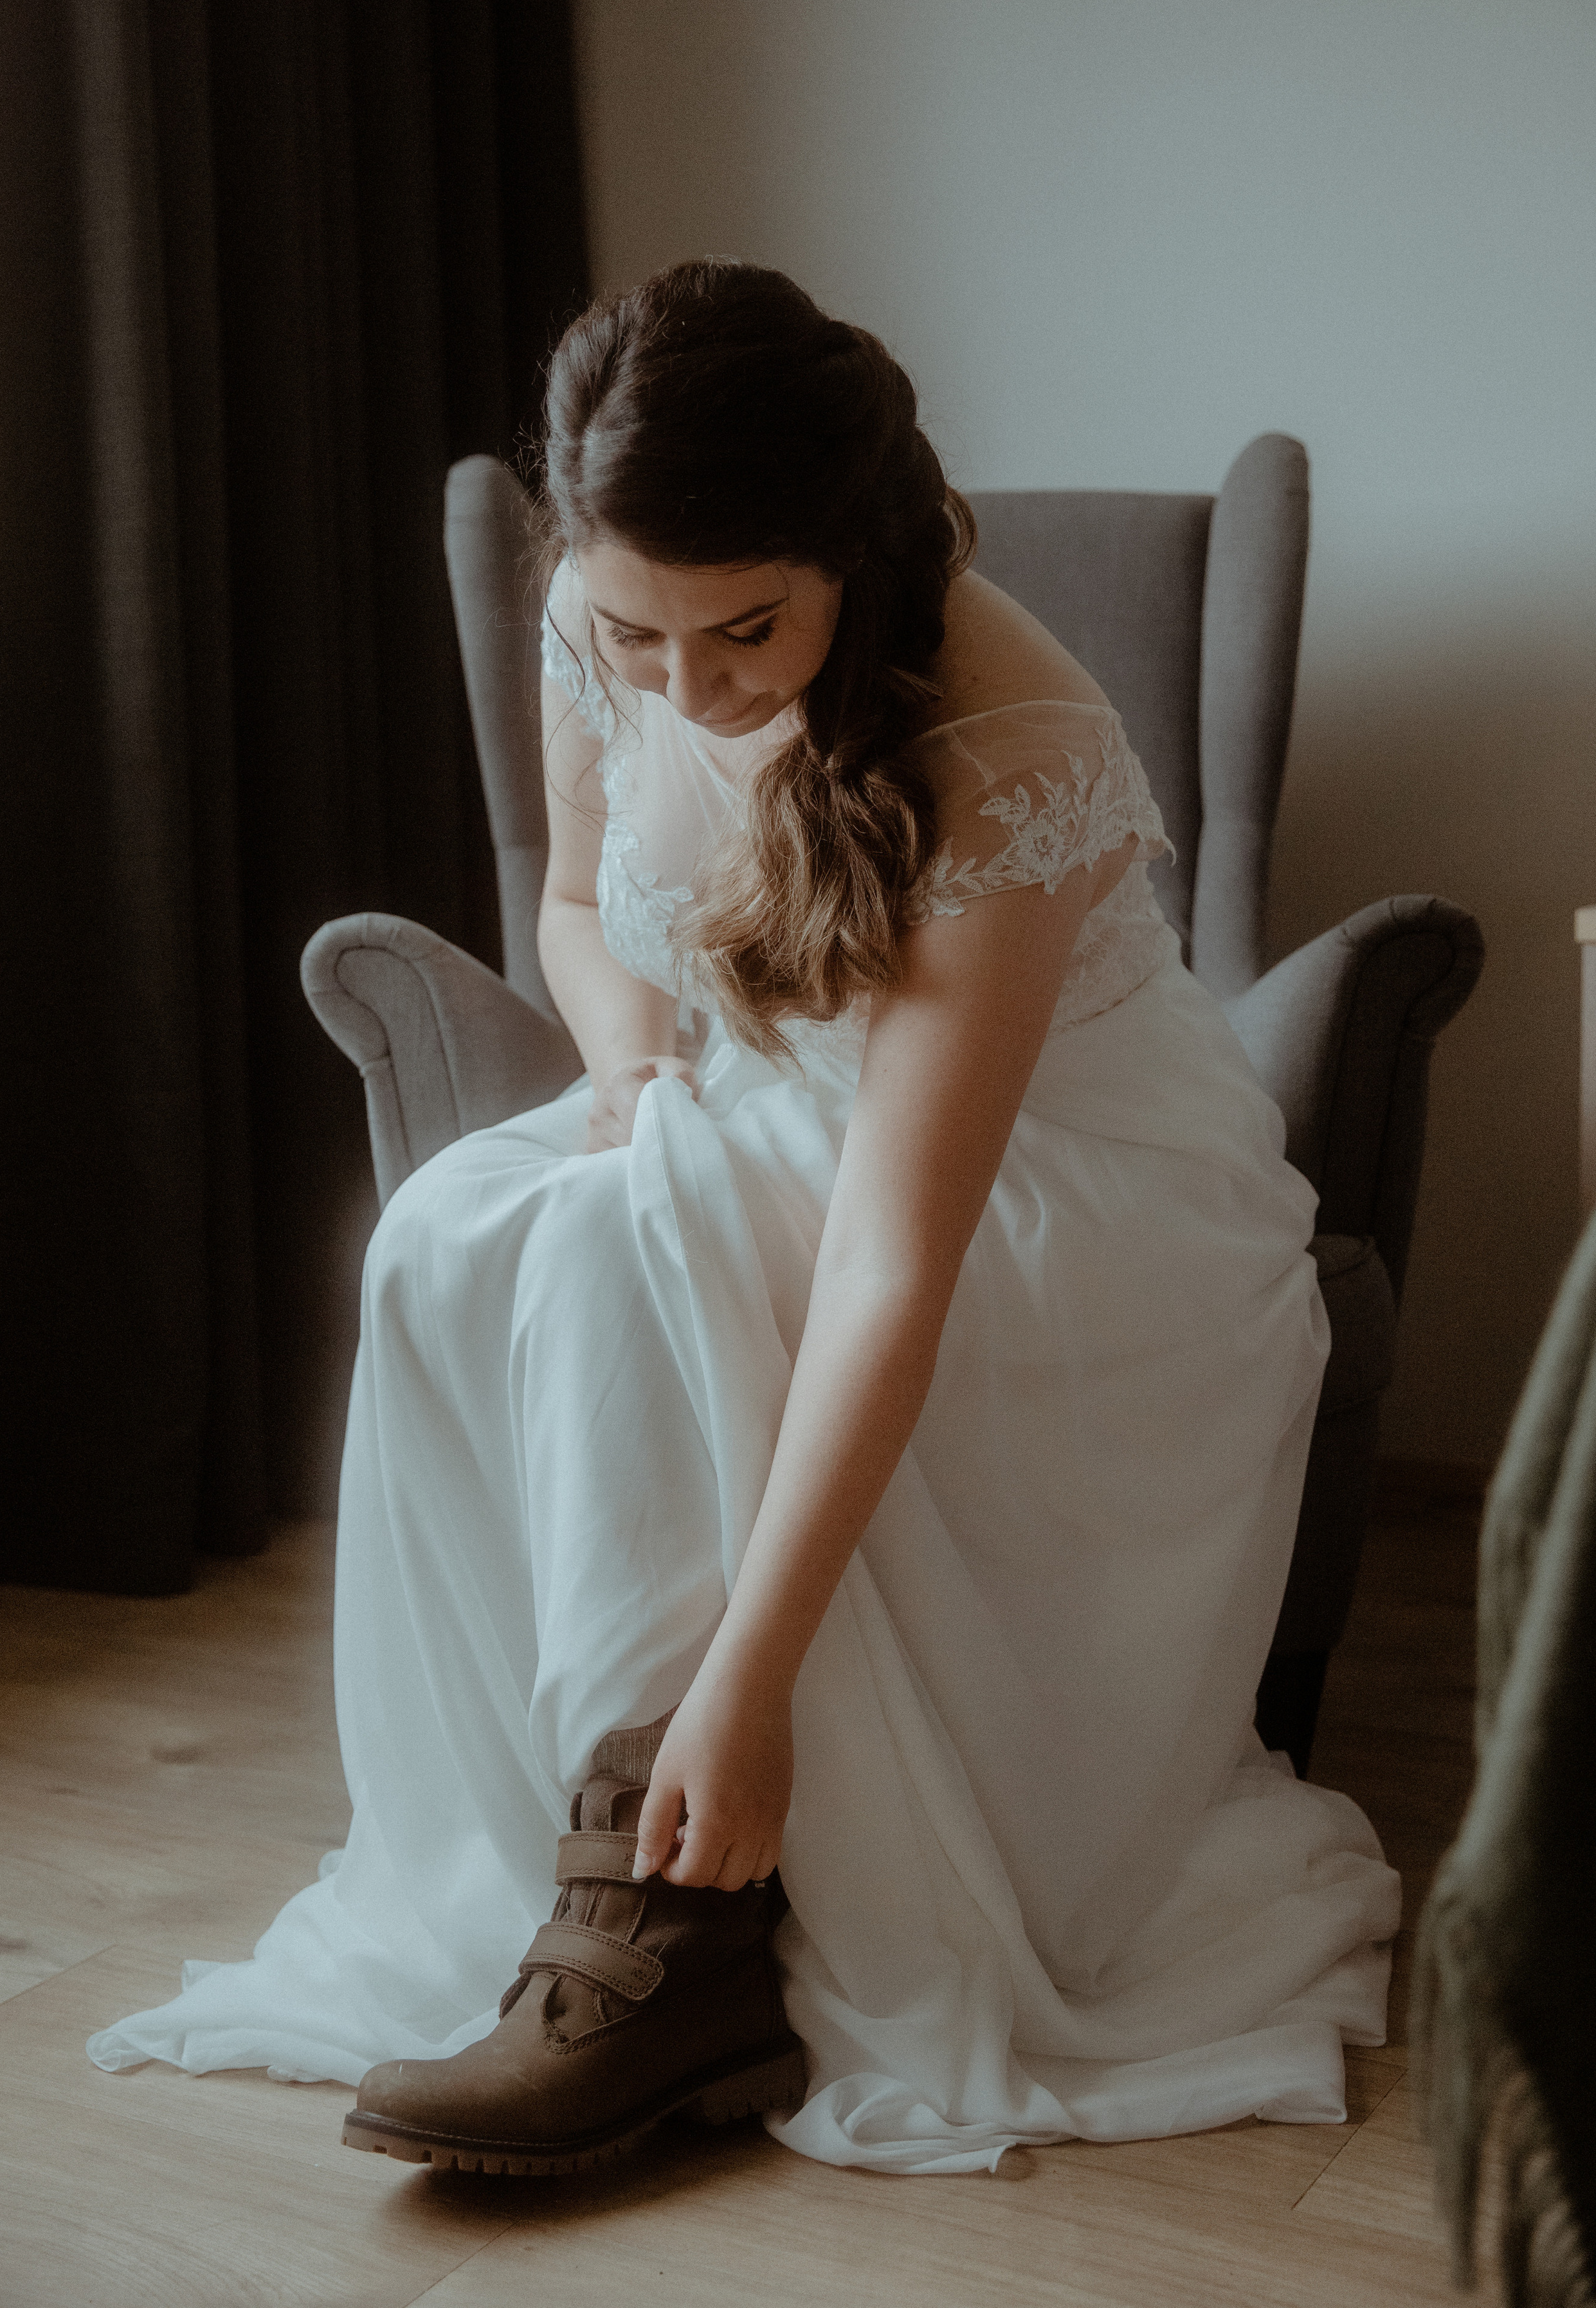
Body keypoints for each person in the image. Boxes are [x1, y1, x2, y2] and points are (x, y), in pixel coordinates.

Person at [89, 261, 1399, 2176]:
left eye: (745, 633)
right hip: (744, 1096)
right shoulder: (595, 612)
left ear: (854, 559)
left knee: (648, 1240)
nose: (687, 691)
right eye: (637, 636)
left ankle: (669, 1924)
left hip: (1062, 1205)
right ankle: (562, 1849)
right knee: (453, 1234)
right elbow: (569, 901)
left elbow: (895, 1257)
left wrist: (752, 1681)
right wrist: (627, 1068)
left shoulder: (1008, 738)